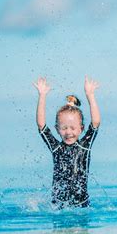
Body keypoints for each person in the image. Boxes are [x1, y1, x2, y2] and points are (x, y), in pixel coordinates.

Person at [33, 76, 101, 209]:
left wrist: (90, 95)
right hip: (58, 206)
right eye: (64, 128)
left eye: (73, 128)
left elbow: (96, 123)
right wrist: (42, 95)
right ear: (57, 129)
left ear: (81, 129)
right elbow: (41, 125)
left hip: (82, 205)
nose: (68, 132)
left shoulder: (85, 146)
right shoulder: (56, 148)